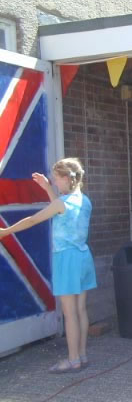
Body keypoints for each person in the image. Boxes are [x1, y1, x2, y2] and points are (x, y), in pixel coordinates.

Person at [0, 158, 96, 373]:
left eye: (56, 179)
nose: (54, 182)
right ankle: (81, 355)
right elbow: (61, 211)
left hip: (66, 260)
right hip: (82, 257)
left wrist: (6, 232)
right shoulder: (84, 200)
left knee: (69, 314)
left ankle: (73, 360)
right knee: (80, 310)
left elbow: (33, 220)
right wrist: (47, 189)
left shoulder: (62, 203)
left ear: (67, 179)